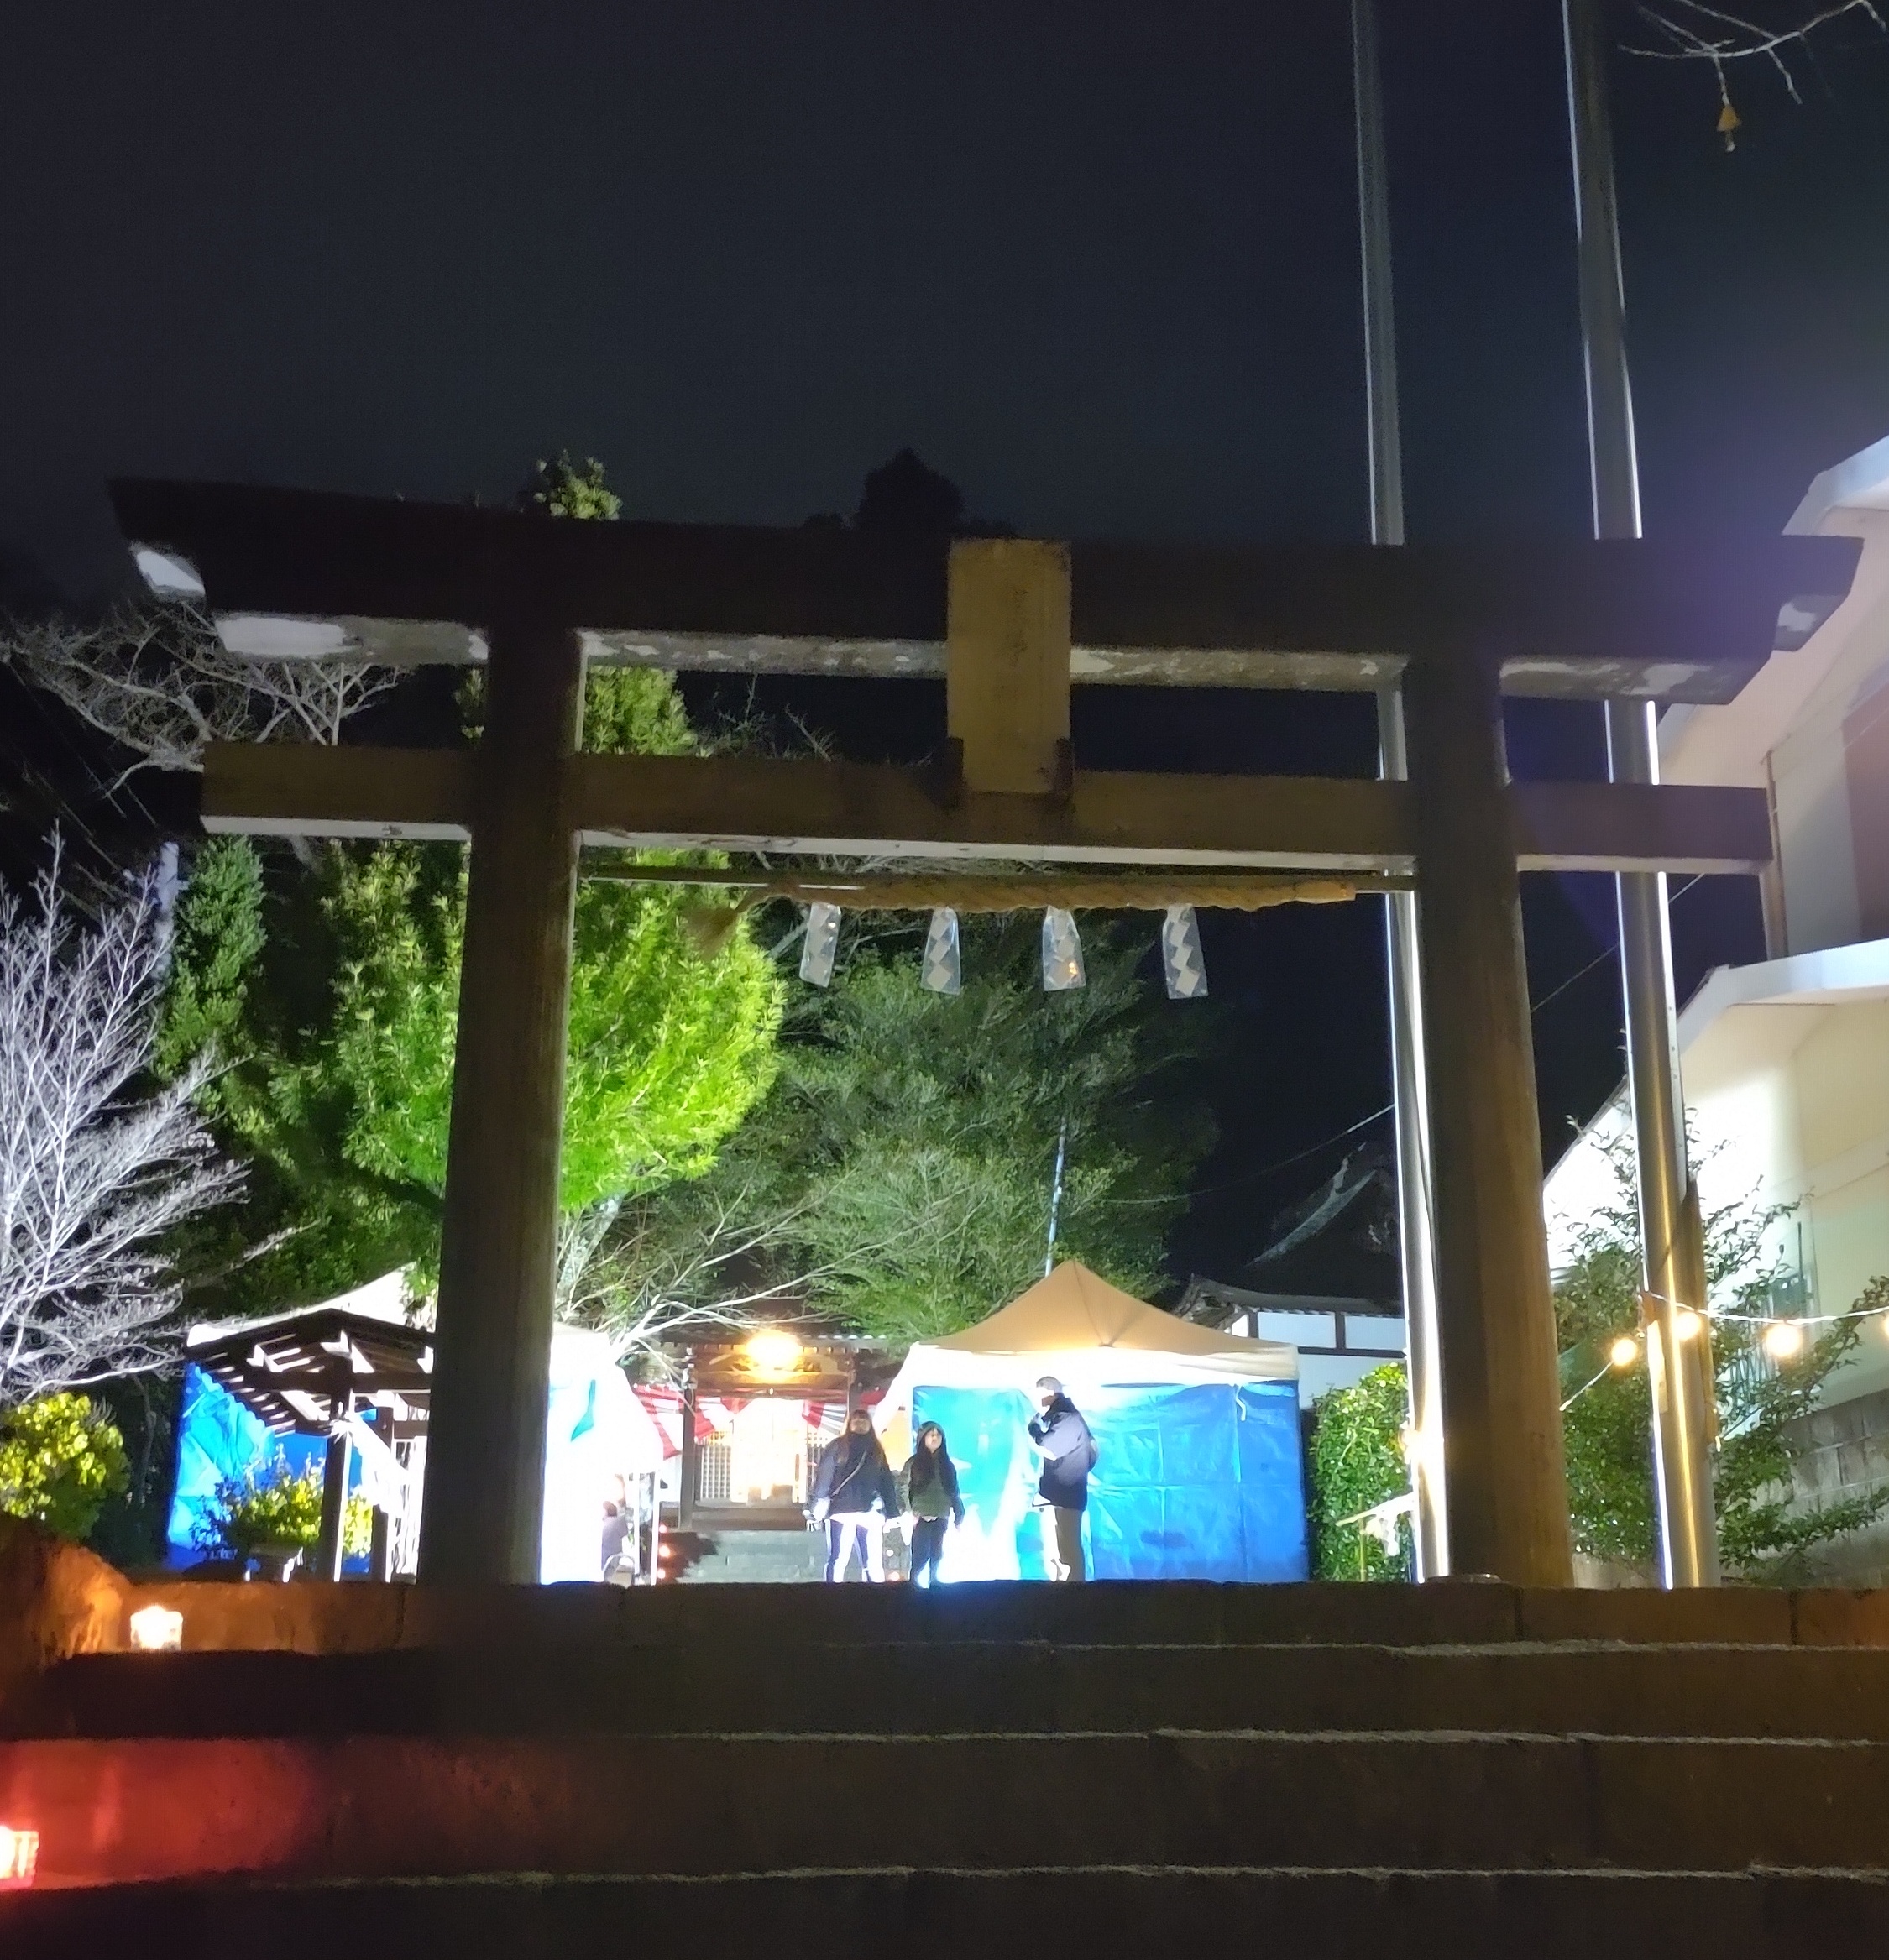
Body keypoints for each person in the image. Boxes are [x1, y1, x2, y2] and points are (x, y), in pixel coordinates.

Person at [809, 1407, 898, 1582]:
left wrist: (818, 1499)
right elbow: (886, 1481)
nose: (860, 1423)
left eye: (863, 1420)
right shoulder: (869, 1449)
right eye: (856, 1420)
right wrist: (892, 1511)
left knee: (844, 1561)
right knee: (858, 1562)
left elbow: (885, 1481)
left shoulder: (865, 1449)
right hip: (855, 1511)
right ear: (849, 1424)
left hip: (855, 1511)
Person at [1027, 1376, 1096, 1583]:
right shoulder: (1066, 1418)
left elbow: (1047, 1449)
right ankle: (1065, 1590)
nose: (1036, 1401)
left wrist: (1034, 1430)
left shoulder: (1067, 1419)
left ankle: (1072, 1593)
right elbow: (1093, 1455)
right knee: (1062, 1552)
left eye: (1037, 1395)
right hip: (1061, 1498)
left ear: (1048, 1393)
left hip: (1064, 1499)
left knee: (1066, 1553)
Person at [898, 1421, 965, 1589]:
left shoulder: (947, 1465)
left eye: (938, 1434)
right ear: (923, 1438)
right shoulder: (914, 1463)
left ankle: (933, 1581)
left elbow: (954, 1491)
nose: (935, 1437)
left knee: (937, 1552)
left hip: (941, 1514)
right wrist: (909, 1511)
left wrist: (959, 1516)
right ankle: (912, 1583)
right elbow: (902, 1487)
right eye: (931, 1434)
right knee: (920, 1554)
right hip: (920, 1515)